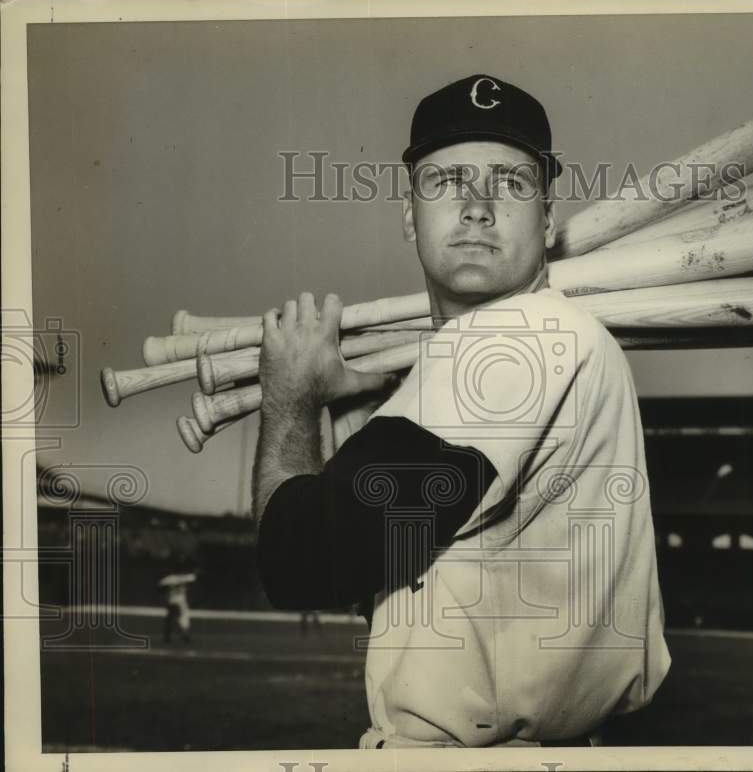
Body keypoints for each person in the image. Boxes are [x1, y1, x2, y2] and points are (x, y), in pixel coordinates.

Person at [253, 74, 670, 748]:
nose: (477, 206)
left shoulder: (518, 339)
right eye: (446, 180)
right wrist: (356, 403)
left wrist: (290, 401)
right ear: (410, 215)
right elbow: (409, 568)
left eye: (510, 183)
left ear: (548, 221)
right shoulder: (553, 339)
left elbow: (302, 560)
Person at [159, 570, 197, 644]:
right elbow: (193, 578)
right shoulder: (186, 577)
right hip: (180, 602)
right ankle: (184, 636)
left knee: (170, 619)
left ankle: (167, 637)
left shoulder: (169, 578)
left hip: (171, 601)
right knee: (182, 619)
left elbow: (161, 585)